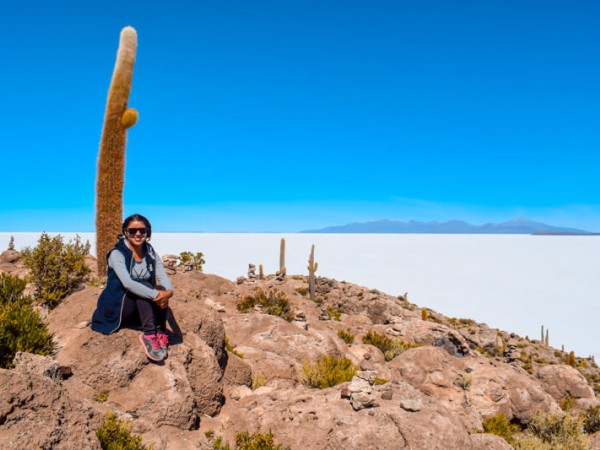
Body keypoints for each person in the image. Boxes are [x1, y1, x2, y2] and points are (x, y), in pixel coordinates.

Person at [91, 214, 174, 362]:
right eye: (132, 231)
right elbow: (128, 283)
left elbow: (162, 276)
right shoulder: (117, 254)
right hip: (118, 305)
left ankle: (160, 331)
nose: (138, 234)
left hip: (139, 306)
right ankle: (149, 335)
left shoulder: (150, 252)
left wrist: (167, 294)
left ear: (148, 232)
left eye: (142, 230)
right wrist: (156, 295)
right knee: (145, 286)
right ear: (125, 232)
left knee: (158, 290)